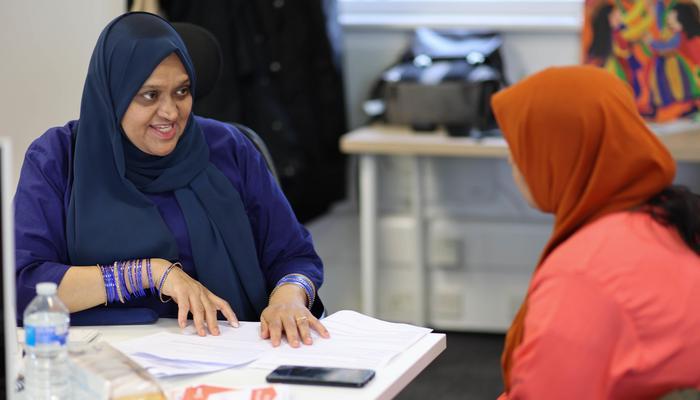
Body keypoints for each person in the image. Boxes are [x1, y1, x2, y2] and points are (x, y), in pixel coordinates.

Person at [14, 12, 329, 347]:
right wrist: (151, 273)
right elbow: (24, 284)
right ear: (112, 95)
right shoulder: (58, 158)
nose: (171, 112)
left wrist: (289, 298)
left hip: (230, 351)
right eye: (150, 95)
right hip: (102, 362)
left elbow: (295, 256)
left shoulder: (227, 149)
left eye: (182, 91)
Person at [492, 66, 700, 398]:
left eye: (519, 145)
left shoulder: (583, 273)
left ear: (558, 153)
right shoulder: (666, 215)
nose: (510, 160)